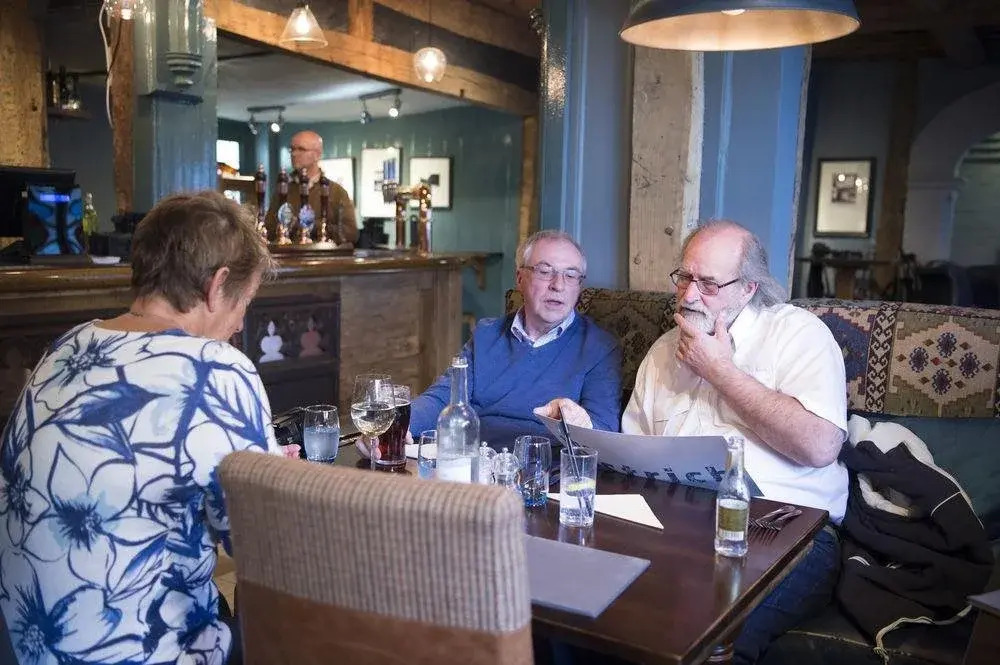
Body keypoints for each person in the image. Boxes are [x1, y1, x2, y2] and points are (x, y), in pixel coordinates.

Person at [0, 191, 295, 665]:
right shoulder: (215, 368)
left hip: (29, 643)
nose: (240, 324)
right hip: (131, 651)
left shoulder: (67, 345)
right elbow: (267, 547)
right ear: (217, 285)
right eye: (245, 301)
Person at [543, 219, 848, 665]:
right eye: (684, 277)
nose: (688, 295)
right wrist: (586, 429)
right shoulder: (663, 351)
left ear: (748, 289)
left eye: (708, 284)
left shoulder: (797, 334)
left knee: (703, 640)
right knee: (569, 609)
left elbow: (820, 446)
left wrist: (720, 371)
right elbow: (635, 457)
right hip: (675, 524)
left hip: (783, 530)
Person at [359, 230, 621, 455]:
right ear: (520, 278)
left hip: (544, 472)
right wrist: (395, 424)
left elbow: (606, 433)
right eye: (545, 271)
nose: (558, 285)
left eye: (571, 275)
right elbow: (443, 398)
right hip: (471, 461)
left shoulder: (599, 348)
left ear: (579, 286)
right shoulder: (487, 334)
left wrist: (579, 422)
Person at [266, 130, 359, 245]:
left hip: (323, 255)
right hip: (290, 254)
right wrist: (286, 224)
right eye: (292, 149)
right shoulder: (283, 191)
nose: (294, 154)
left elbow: (350, 233)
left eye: (301, 149)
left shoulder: (336, 192)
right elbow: (269, 229)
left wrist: (312, 225)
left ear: (317, 154)